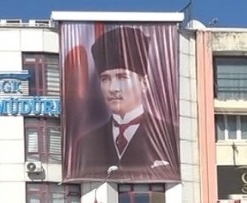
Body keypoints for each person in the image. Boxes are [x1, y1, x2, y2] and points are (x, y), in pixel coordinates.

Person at [68, 25, 178, 181]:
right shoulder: (86, 143)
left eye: (122, 77)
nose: (113, 88)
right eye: (105, 79)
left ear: (144, 82)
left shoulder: (169, 135)